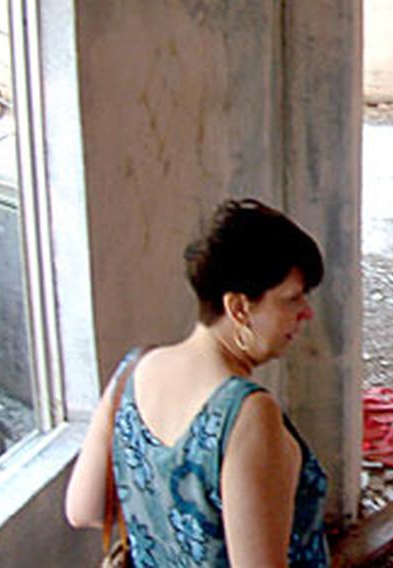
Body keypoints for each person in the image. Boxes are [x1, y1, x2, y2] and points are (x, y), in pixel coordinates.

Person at [65, 198, 329, 567]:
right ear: (239, 307)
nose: (306, 312)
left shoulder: (132, 371)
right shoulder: (245, 414)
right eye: (292, 298)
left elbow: (84, 509)